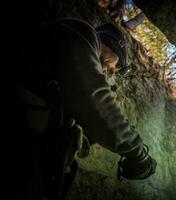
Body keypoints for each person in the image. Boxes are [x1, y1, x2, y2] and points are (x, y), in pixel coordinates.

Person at [9, 18, 156, 200]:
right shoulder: (83, 33)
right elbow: (96, 100)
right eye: (113, 66)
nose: (110, 72)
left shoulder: (69, 69)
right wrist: (137, 151)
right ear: (109, 44)